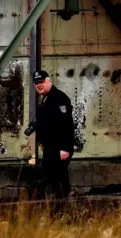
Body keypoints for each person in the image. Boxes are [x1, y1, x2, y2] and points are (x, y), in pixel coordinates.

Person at [32, 70, 74, 200]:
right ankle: (54, 212)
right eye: (36, 83)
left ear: (49, 81)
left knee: (59, 181)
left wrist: (65, 148)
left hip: (59, 149)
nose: (39, 85)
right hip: (50, 148)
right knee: (50, 181)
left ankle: (62, 213)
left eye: (42, 82)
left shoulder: (59, 98)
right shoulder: (46, 99)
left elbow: (67, 125)